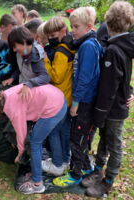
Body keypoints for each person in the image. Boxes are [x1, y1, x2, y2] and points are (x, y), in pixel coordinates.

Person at [81, 2, 134, 197]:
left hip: (113, 108)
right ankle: (98, 169)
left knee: (114, 143)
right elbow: (124, 77)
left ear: (108, 21)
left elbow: (109, 88)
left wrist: (100, 114)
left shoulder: (114, 50)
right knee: (104, 138)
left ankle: (108, 181)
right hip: (113, 106)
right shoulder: (120, 45)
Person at [0, 83, 67, 194]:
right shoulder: (5, 94)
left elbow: (22, 134)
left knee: (35, 142)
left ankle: (37, 184)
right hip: (60, 99)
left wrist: (20, 153)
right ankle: (58, 166)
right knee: (53, 133)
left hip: (52, 107)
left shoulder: (11, 108)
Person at [53, 7, 103, 186]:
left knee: (77, 138)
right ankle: (87, 167)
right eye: (71, 26)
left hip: (84, 102)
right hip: (87, 100)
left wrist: (75, 103)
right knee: (84, 137)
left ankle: (75, 175)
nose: (72, 30)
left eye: (76, 27)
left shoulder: (88, 46)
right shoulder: (91, 42)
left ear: (89, 26)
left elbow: (84, 79)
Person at [40, 16, 74, 176]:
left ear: (63, 31)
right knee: (64, 131)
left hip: (60, 98)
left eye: (53, 36)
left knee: (54, 131)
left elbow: (56, 77)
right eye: (49, 37)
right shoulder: (69, 44)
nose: (51, 40)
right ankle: (65, 159)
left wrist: (46, 61)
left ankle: (58, 163)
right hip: (67, 96)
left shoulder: (61, 52)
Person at [5, 26, 50, 99]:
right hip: (23, 89)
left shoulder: (36, 56)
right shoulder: (21, 53)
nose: (14, 50)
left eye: (14, 46)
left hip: (34, 95)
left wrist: (29, 84)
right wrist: (12, 78)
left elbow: (45, 77)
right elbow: (21, 69)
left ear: (23, 41)